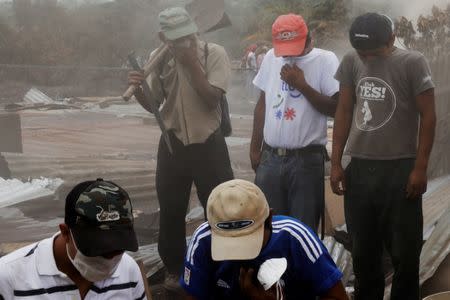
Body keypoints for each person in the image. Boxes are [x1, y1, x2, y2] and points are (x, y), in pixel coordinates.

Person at [330, 13, 436, 300]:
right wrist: (337, 162)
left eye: (372, 52)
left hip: (400, 170)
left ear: (390, 39)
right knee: (364, 254)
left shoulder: (412, 63)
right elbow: (343, 110)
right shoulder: (352, 61)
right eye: (361, 52)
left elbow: (428, 116)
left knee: (405, 255)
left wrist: (420, 168)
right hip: (360, 171)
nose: (366, 58)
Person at [127, 6, 234, 289]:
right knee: (172, 210)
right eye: (175, 38)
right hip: (173, 143)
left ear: (193, 30)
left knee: (221, 209)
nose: (183, 42)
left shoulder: (214, 53)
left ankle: (225, 269)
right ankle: (175, 269)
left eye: (187, 35)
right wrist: (139, 88)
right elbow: (153, 106)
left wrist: (191, 64)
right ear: (164, 37)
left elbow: (212, 99)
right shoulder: (158, 59)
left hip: (209, 143)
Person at [181, 179, 349, 300]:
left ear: (269, 219)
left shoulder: (295, 238)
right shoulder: (203, 241)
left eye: (247, 241)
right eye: (230, 245)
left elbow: (339, 297)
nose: (240, 255)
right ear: (212, 229)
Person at [250, 13, 340, 231]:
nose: (289, 54)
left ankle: (299, 267)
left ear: (309, 39)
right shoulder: (272, 57)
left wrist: (302, 85)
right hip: (270, 159)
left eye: (295, 46)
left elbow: (336, 109)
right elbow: (262, 104)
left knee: (302, 231)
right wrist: (255, 147)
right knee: (269, 230)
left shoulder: (325, 60)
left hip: (305, 162)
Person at [0, 178, 146, 300]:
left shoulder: (128, 270)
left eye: (118, 248)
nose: (110, 259)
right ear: (65, 232)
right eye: (98, 249)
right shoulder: (9, 275)